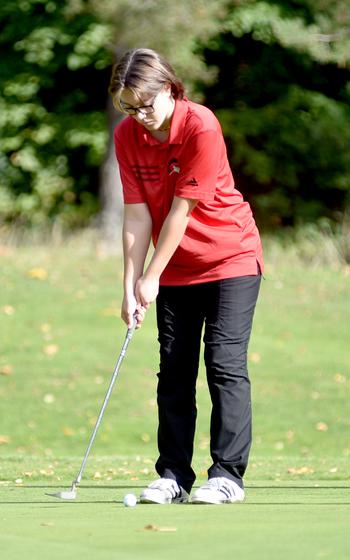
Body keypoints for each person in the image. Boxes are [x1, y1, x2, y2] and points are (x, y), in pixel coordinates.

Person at [108, 48, 263, 505]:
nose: (140, 117)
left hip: (229, 257)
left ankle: (227, 476)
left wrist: (151, 276)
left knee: (223, 363)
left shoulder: (201, 125)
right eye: (130, 108)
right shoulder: (127, 136)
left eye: (147, 105)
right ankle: (174, 475)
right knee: (173, 370)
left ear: (170, 90)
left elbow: (181, 210)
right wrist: (130, 285)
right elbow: (136, 217)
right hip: (174, 267)